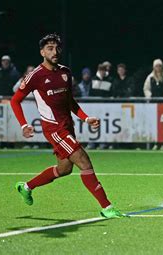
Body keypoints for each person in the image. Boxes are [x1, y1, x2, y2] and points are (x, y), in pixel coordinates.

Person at [9, 33, 125, 218]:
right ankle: (107, 207)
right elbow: (15, 101)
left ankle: (26, 187)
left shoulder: (65, 72)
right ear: (42, 52)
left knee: (64, 169)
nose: (55, 52)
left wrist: (85, 118)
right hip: (54, 129)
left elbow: (70, 101)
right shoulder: (35, 76)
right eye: (50, 48)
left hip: (67, 126)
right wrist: (24, 125)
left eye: (57, 48)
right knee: (83, 160)